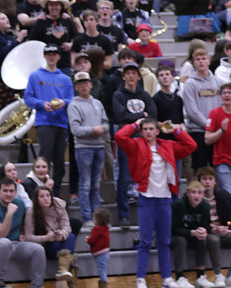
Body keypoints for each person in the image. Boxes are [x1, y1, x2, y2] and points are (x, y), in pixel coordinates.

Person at [114, 118, 196, 288]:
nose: (148, 132)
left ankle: (166, 278)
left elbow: (191, 146)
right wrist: (135, 124)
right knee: (145, 242)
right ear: (141, 131)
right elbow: (119, 136)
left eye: (152, 129)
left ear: (158, 131)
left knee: (164, 241)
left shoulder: (168, 145)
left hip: (165, 199)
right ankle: (140, 279)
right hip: (147, 199)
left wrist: (175, 131)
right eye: (145, 129)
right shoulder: (135, 145)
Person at [23, 45, 74, 196]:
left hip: (61, 122)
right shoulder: (35, 76)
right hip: (44, 122)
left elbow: (72, 99)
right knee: (45, 159)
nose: (52, 57)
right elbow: (28, 98)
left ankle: (55, 193)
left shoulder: (65, 79)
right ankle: (42, 192)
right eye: (49, 54)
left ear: (59, 56)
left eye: (54, 54)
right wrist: (42, 104)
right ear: (45, 56)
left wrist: (64, 102)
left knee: (60, 160)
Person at [111, 62, 157, 225]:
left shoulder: (145, 95)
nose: (131, 76)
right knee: (124, 177)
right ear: (123, 77)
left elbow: (153, 115)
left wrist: (135, 118)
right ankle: (123, 215)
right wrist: (141, 116)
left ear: (138, 77)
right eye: (128, 73)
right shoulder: (118, 95)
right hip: (126, 140)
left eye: (134, 73)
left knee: (146, 176)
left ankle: (147, 213)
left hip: (143, 140)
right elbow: (120, 116)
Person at [0, 177, 46, 288]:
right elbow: (0, 235)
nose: (8, 194)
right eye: (5, 191)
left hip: (15, 244)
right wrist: (9, 213)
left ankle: (37, 285)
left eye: (11, 191)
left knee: (38, 249)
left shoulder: (20, 203)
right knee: (4, 242)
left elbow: (25, 221)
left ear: (16, 193)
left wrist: (22, 232)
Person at [195, 167, 231, 286]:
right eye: (204, 179)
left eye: (210, 179)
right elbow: (195, 222)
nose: (207, 182)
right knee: (214, 239)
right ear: (199, 181)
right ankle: (218, 276)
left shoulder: (222, 195)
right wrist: (213, 229)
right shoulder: (196, 197)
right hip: (206, 233)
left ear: (215, 181)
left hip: (223, 231)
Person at [67, 71, 108, 226]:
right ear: (76, 87)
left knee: (95, 184)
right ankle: (86, 217)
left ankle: (97, 217)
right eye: (80, 84)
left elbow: (106, 123)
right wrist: (93, 130)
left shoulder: (98, 103)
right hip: (83, 148)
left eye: (86, 83)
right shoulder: (73, 105)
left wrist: (103, 129)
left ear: (91, 85)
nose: (84, 86)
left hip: (99, 146)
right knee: (85, 184)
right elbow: (75, 129)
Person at [170, 181, 220, 288]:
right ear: (188, 193)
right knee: (181, 240)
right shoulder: (178, 205)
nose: (196, 196)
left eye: (199, 193)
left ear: (203, 194)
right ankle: (179, 277)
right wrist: (191, 232)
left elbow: (205, 226)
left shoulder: (205, 207)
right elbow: (172, 229)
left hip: (192, 235)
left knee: (202, 238)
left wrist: (208, 230)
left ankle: (200, 276)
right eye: (193, 192)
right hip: (175, 236)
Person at [24, 186, 77, 282]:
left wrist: (61, 234)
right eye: (42, 196)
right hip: (46, 245)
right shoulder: (31, 212)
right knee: (68, 250)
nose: (46, 199)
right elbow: (28, 237)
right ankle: (69, 270)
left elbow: (67, 227)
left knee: (71, 237)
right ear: (36, 199)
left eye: (48, 195)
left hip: (59, 240)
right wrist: (46, 238)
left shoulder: (59, 206)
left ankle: (63, 269)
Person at [182, 48, 221, 170]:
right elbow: (191, 111)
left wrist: (217, 127)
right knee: (200, 169)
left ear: (209, 61)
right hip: (198, 131)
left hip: (217, 132)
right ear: (194, 63)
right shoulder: (190, 84)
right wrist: (209, 125)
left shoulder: (218, 81)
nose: (201, 61)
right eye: (197, 59)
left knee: (218, 167)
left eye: (204, 58)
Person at [86, 208, 110, 288]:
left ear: (98, 220)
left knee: (101, 271)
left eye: (94, 218)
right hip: (105, 253)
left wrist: (88, 239)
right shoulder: (106, 228)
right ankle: (103, 283)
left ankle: (104, 284)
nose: (93, 219)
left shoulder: (97, 229)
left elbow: (92, 240)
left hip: (100, 254)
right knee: (102, 269)